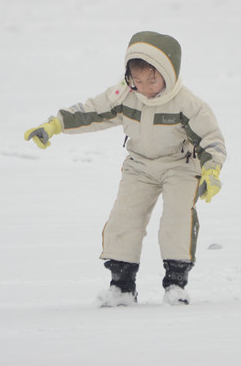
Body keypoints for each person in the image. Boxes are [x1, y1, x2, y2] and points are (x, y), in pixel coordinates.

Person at [24, 31, 226, 306]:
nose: (144, 87)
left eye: (152, 80)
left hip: (179, 166)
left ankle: (176, 285)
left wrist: (211, 172)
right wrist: (54, 125)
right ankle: (121, 286)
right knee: (123, 220)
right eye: (138, 80)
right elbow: (90, 111)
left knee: (177, 219)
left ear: (170, 73)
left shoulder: (188, 104)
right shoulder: (124, 94)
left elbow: (210, 139)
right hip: (139, 166)